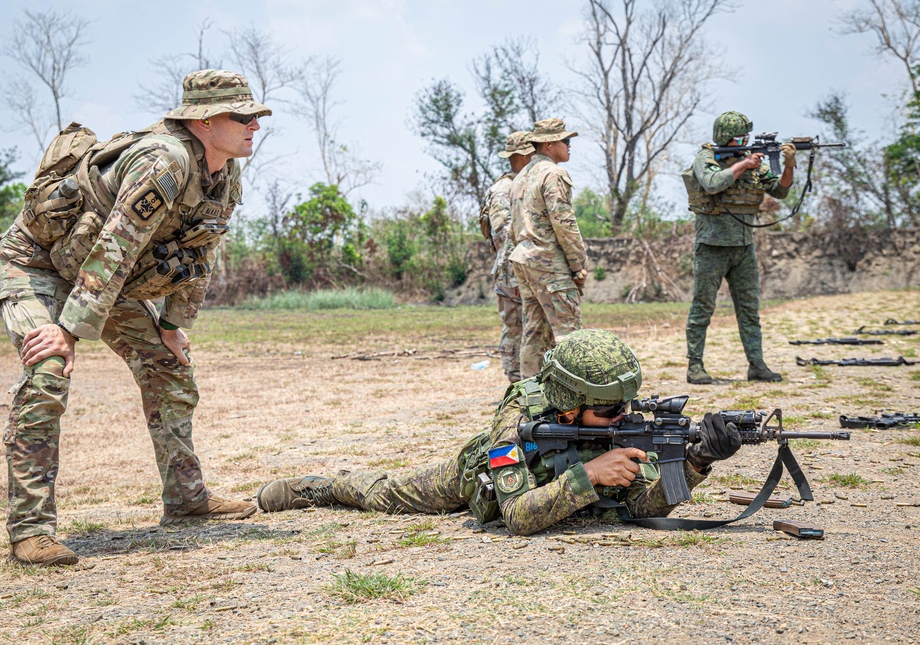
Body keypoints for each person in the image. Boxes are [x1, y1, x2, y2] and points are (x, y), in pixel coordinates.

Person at [0, 70, 269, 566]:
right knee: (47, 374)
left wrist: (169, 326)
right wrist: (69, 330)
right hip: (39, 261)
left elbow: (202, 252)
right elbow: (116, 245)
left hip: (100, 275)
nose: (254, 125)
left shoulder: (225, 172)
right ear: (204, 122)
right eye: (242, 115)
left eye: (256, 116)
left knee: (169, 369)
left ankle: (187, 501)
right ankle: (30, 530)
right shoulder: (162, 162)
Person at [255, 329, 742, 536]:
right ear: (571, 407)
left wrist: (697, 461)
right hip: (479, 478)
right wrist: (589, 476)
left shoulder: (618, 427)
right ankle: (312, 487)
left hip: (569, 474)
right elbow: (515, 517)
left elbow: (642, 507)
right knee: (385, 495)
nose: (625, 416)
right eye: (612, 408)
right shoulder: (517, 420)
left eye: (628, 405)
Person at [683, 111, 795, 385]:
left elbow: (780, 192)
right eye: (740, 137)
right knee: (703, 308)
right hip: (712, 246)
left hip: (744, 247)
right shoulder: (706, 158)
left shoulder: (754, 164)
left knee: (749, 309)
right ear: (725, 139)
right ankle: (695, 365)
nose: (745, 140)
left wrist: (789, 165)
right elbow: (711, 183)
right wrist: (744, 164)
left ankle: (757, 365)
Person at [509, 118, 588, 379]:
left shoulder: (520, 177)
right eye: (565, 141)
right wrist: (578, 265)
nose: (569, 145)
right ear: (549, 143)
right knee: (568, 334)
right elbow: (564, 223)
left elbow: (514, 226)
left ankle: (529, 397)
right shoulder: (553, 174)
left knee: (533, 331)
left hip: (524, 259)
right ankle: (576, 400)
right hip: (548, 263)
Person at [484, 131, 534, 383]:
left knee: (529, 327)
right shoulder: (504, 189)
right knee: (515, 327)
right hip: (511, 272)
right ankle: (515, 380)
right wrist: (517, 277)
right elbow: (505, 238)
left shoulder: (520, 184)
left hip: (522, 271)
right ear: (525, 156)